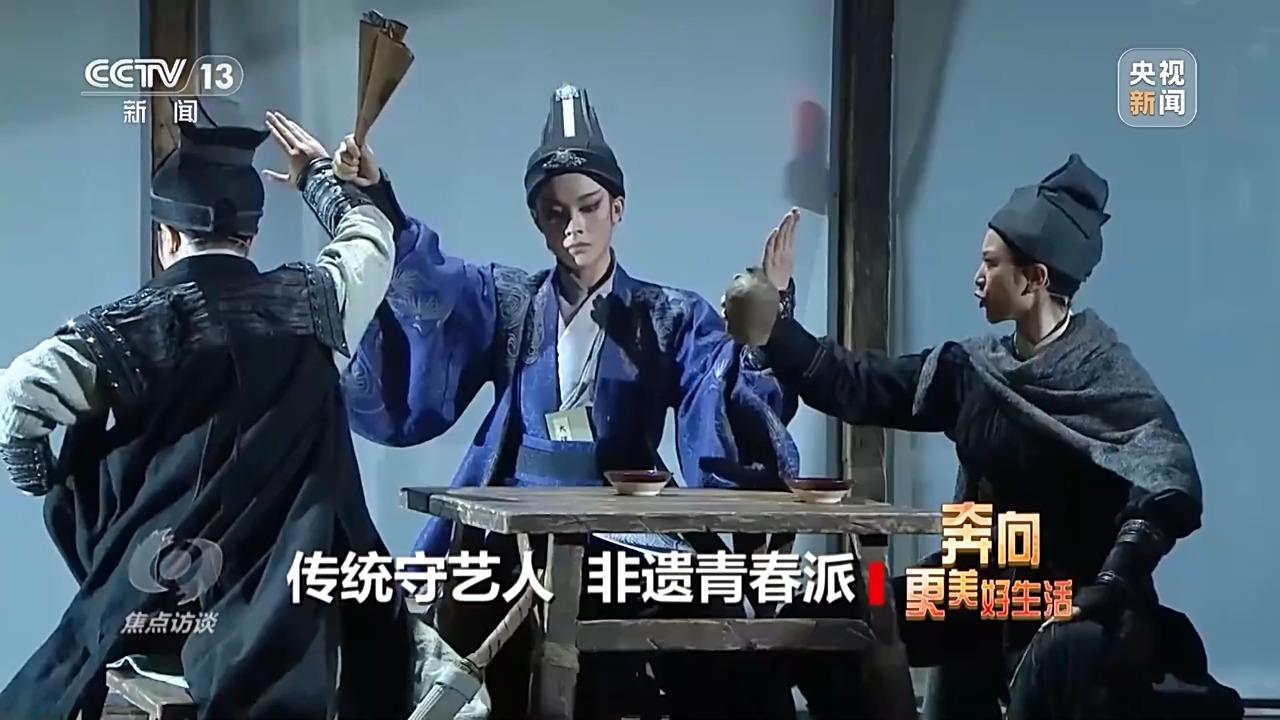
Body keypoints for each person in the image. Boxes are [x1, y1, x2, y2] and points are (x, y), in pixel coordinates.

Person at [331, 83, 803, 718]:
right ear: (537, 220)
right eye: (555, 213)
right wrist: (373, 192)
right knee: (439, 632)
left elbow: (724, 385)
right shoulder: (510, 302)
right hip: (513, 524)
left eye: (588, 207)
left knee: (712, 637)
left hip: (630, 528)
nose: (573, 226)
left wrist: (765, 321)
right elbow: (429, 276)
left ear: (618, 208)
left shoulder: (668, 315)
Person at [725, 154, 1243, 719]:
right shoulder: (975, 371)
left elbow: (1167, 484)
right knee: (832, 613)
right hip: (974, 590)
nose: (977, 276)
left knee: (1062, 655)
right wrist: (776, 319)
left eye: (992, 264)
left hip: (1075, 599)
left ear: (1035, 278)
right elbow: (858, 384)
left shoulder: (1104, 376)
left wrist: (1114, 580)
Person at [0, 100, 415, 719]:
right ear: (251, 237)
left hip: (152, 598)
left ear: (166, 238)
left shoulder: (122, 332)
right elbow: (371, 237)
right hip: (286, 607)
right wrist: (316, 178)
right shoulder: (319, 303)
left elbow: (18, 395)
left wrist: (37, 476)